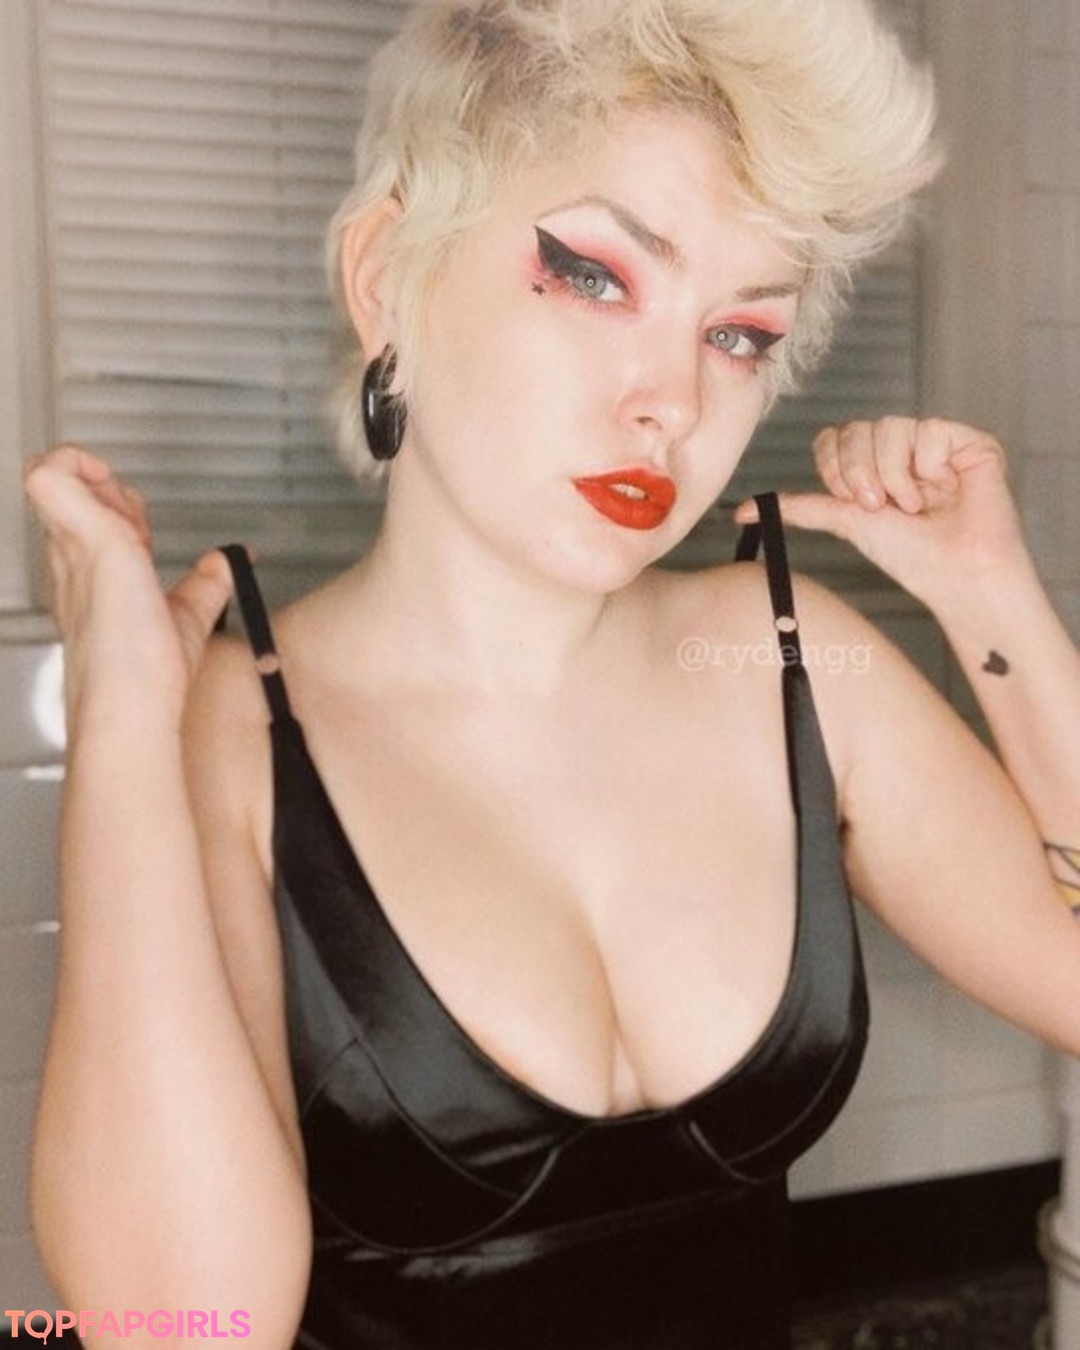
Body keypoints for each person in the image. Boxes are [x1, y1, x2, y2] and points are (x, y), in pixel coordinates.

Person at [22, 0, 1080, 1347]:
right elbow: (184, 1327)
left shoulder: (791, 657)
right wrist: (119, 722)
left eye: (739, 333)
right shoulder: (231, 733)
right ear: (385, 273)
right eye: (595, 276)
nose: (674, 402)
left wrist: (993, 600)